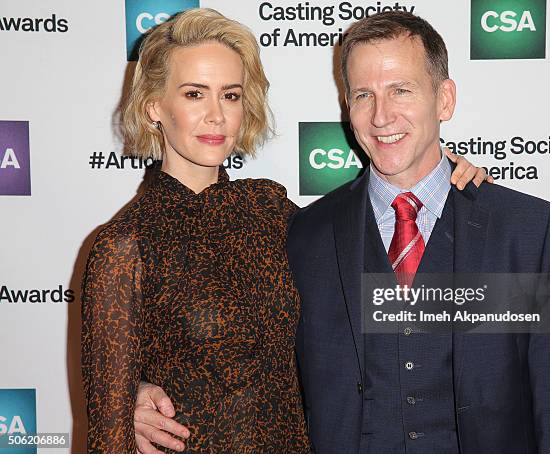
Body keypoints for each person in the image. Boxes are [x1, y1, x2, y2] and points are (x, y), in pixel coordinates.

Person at [134, 10, 550, 454]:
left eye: (401, 90)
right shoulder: (302, 232)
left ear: (444, 99)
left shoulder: (526, 229)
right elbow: (242, 344)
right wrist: (134, 394)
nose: (382, 116)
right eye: (363, 95)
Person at [81, 8, 489, 454]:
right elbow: (108, 436)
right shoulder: (125, 245)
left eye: (231, 95)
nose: (217, 116)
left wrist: (444, 178)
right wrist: (129, 400)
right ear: (154, 105)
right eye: (195, 94)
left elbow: (369, 253)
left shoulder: (271, 211)